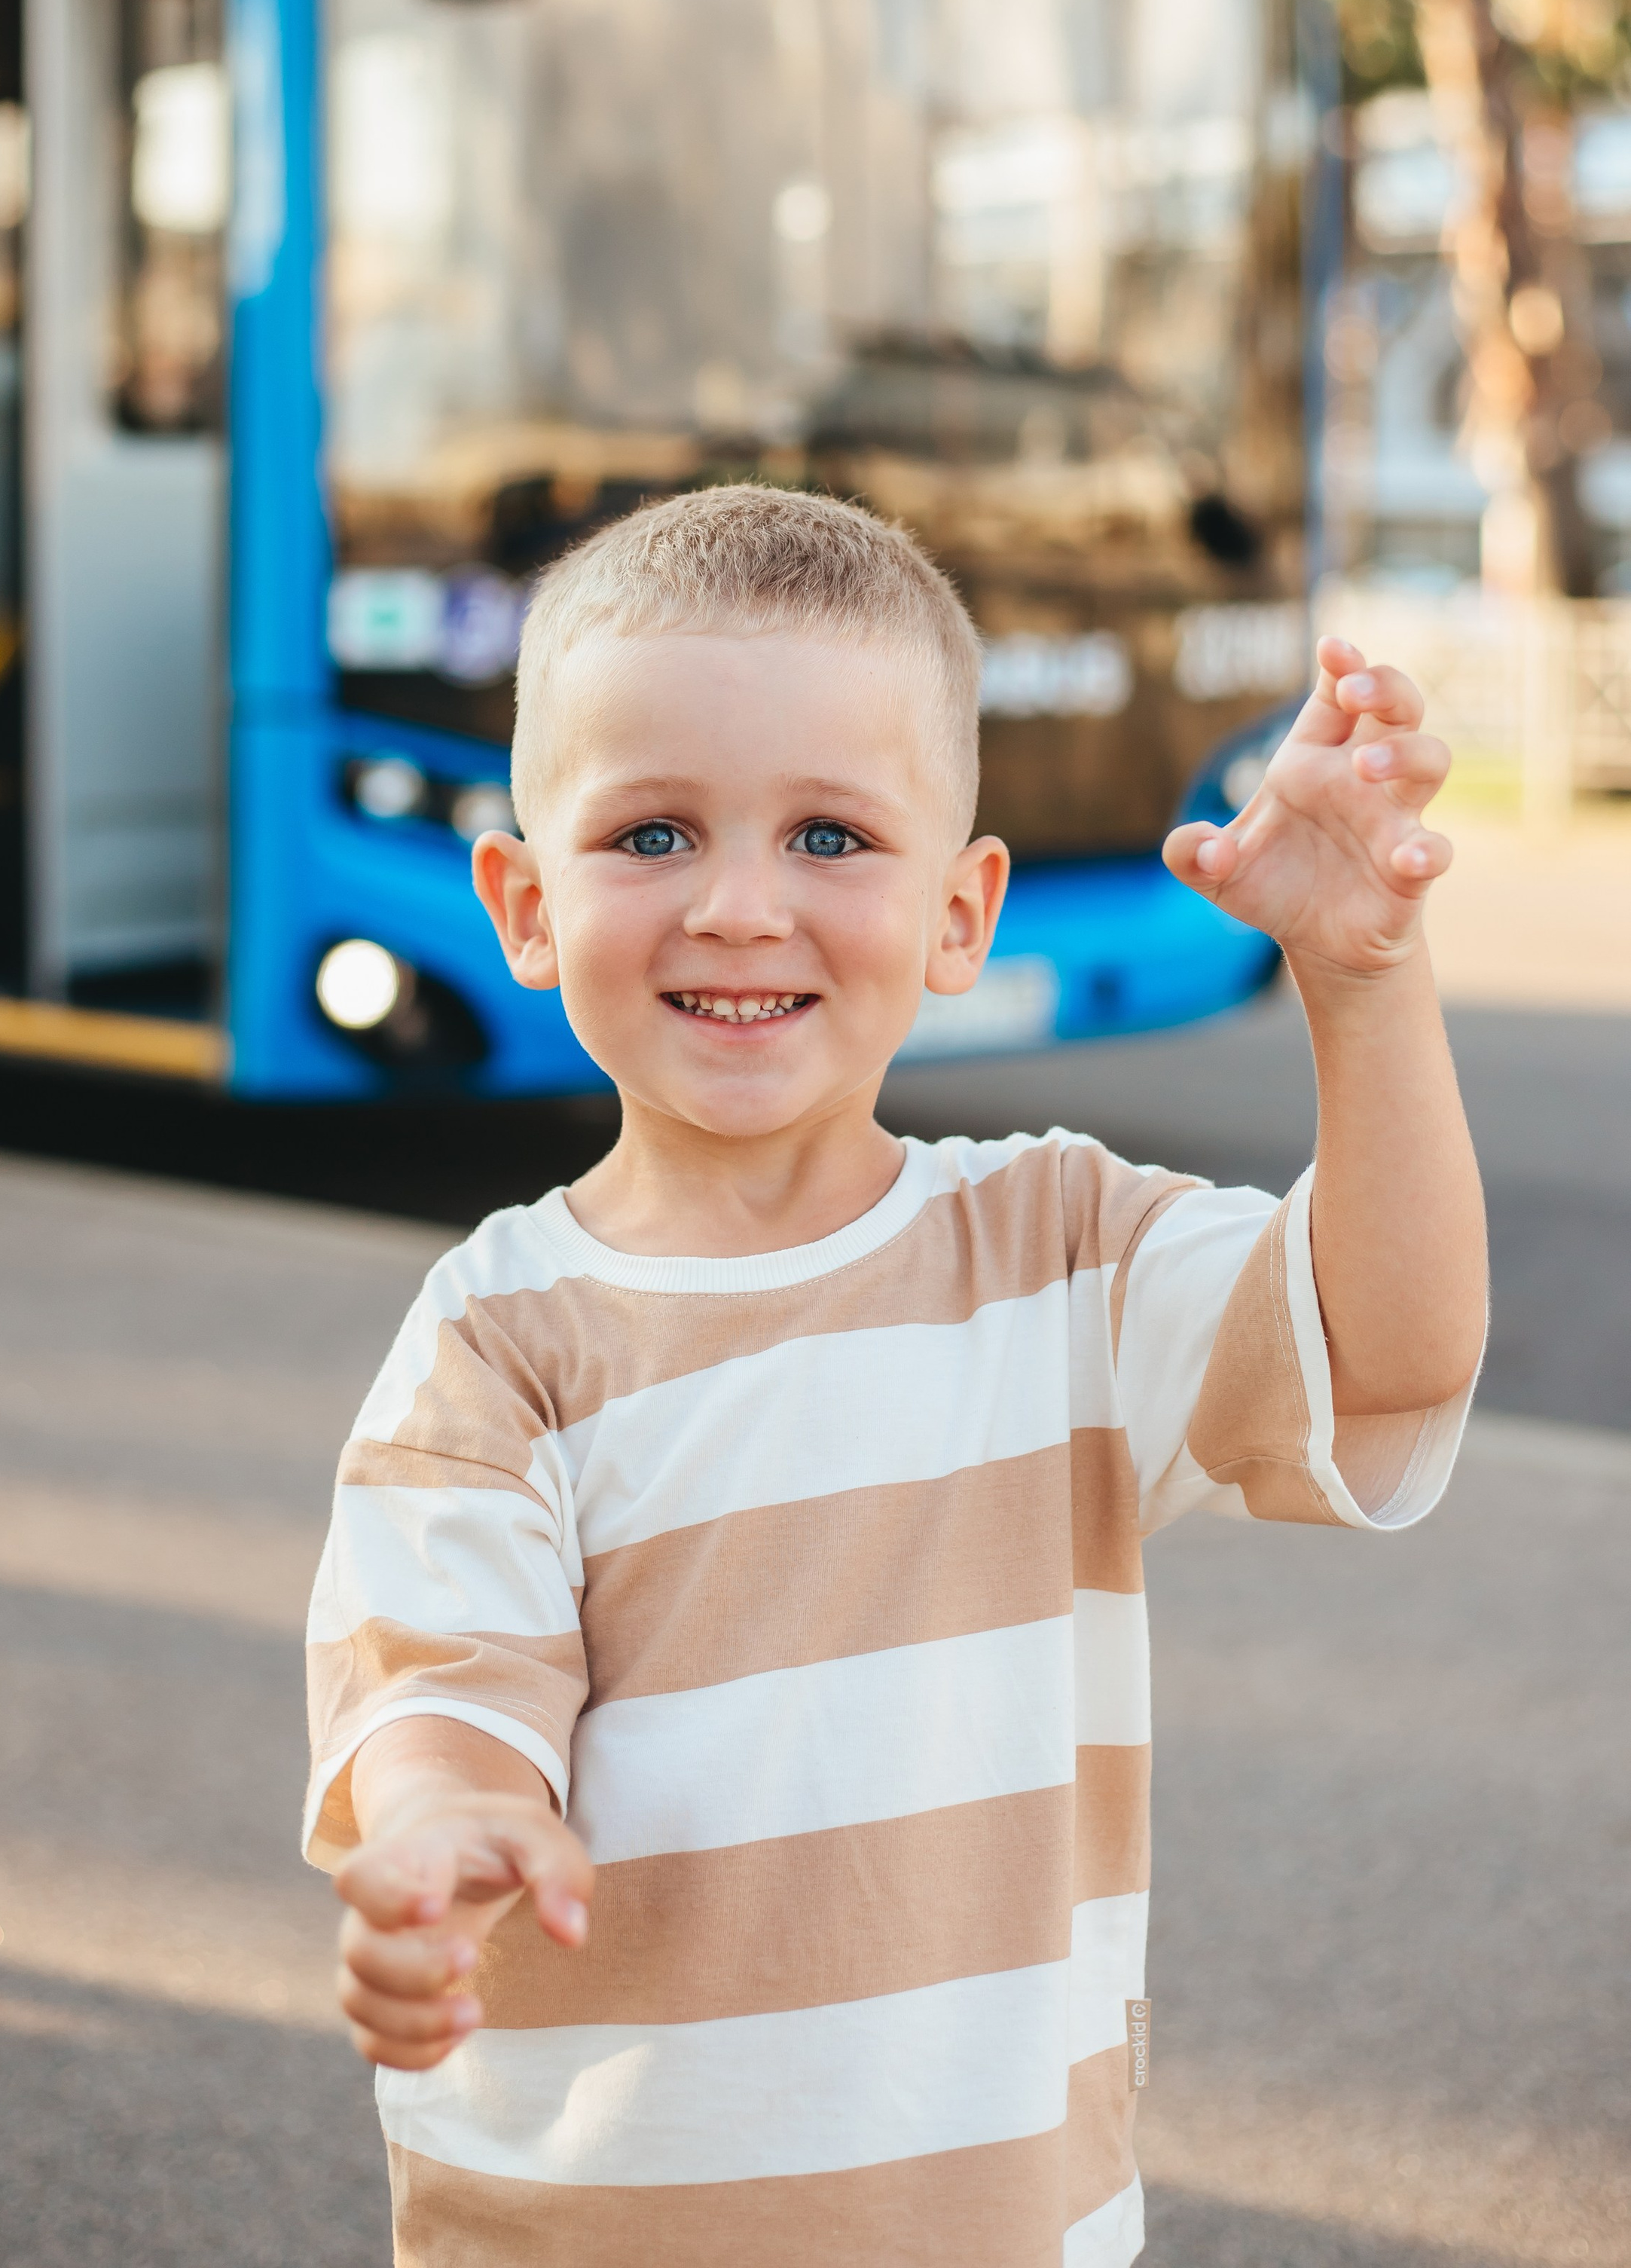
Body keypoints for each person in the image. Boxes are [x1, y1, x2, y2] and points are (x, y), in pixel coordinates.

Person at [302, 485, 1485, 2268]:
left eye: (831, 838)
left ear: (959, 912)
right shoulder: (497, 1342)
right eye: (648, 836)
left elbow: (1392, 1345)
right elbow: (444, 1699)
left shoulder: (1059, 1251)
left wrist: (1360, 980)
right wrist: (444, 1837)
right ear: (522, 903)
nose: (737, 906)